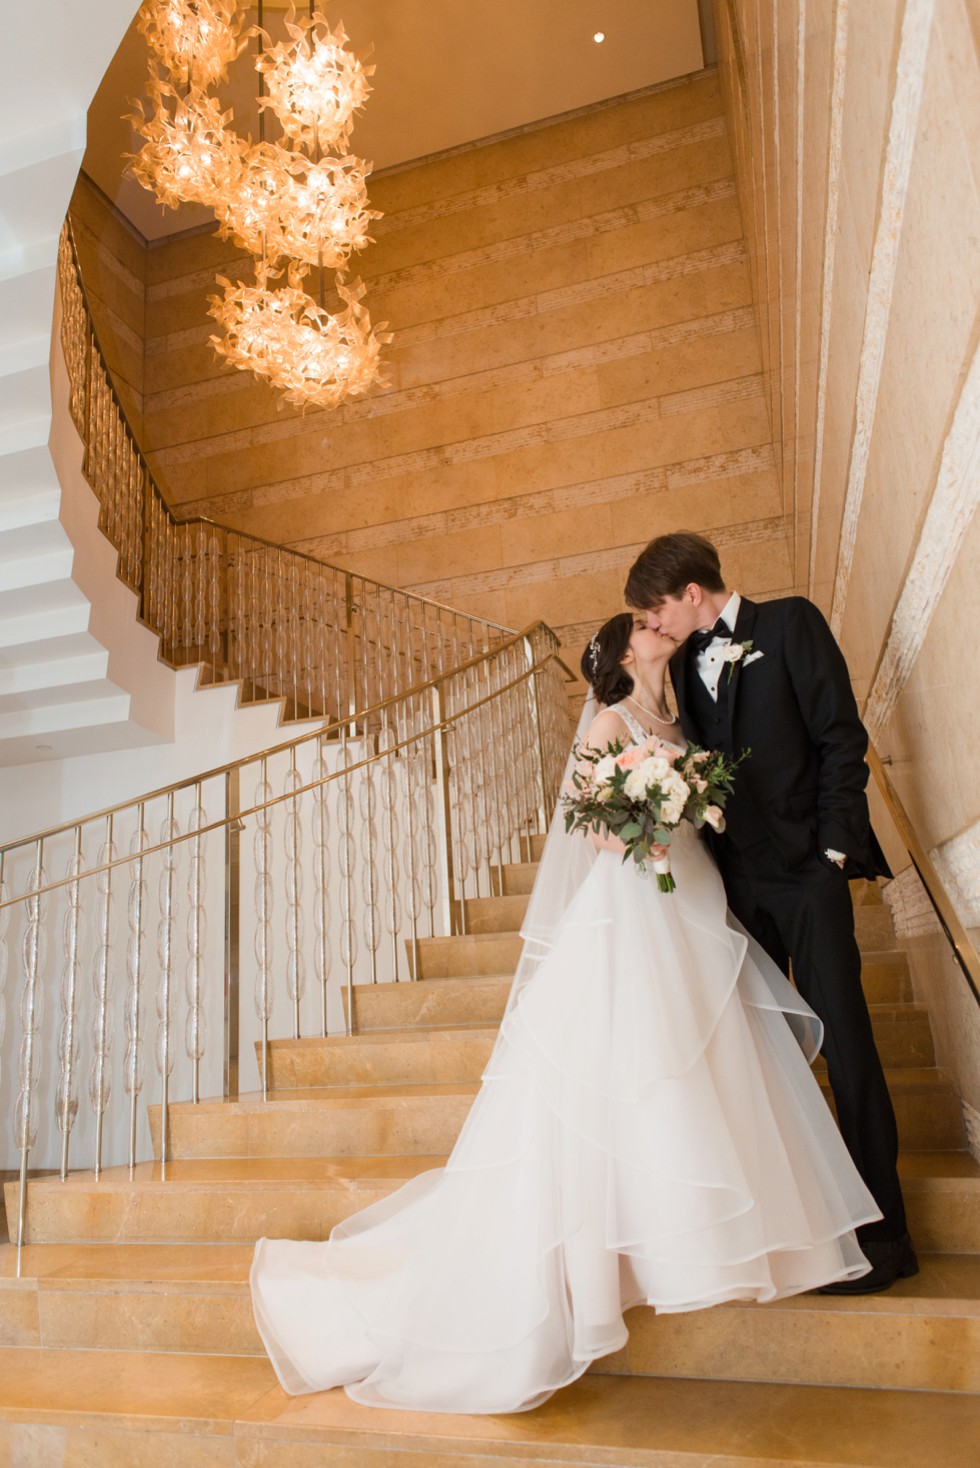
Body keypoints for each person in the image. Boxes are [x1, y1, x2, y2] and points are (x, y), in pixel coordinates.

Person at [249, 610, 881, 1414]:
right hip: (634, 909)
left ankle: (695, 1239)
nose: (663, 629)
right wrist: (651, 821)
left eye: (663, 619)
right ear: (626, 650)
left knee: (707, 1053)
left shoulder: (677, 711)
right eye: (650, 626)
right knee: (640, 1066)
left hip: (696, 898)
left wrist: (685, 805)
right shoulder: (612, 722)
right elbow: (591, 827)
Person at [625, 530, 916, 1294]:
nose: (656, 627)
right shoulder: (684, 662)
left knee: (845, 1045)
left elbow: (840, 740)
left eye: (659, 610)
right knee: (770, 1061)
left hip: (806, 878)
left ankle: (888, 1240)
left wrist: (831, 857)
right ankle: (813, 1232)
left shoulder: (790, 624)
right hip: (738, 886)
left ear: (693, 594)